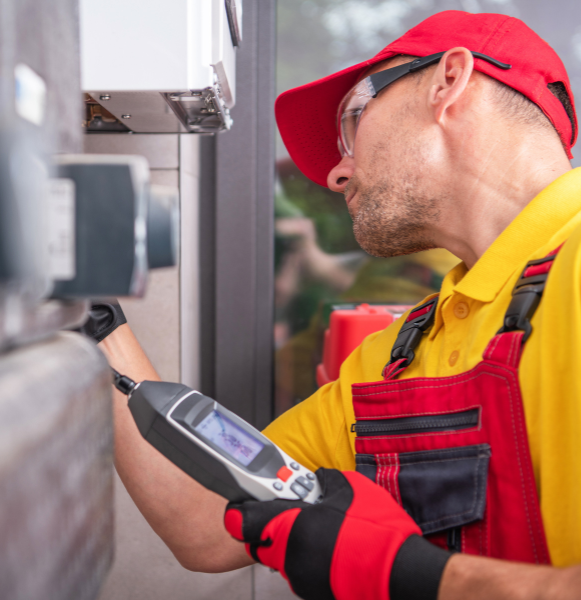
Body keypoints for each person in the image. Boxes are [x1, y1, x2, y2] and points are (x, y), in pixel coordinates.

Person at [91, 10, 581, 600]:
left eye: (352, 122)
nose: (336, 173)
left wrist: (410, 577)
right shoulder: (400, 356)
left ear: (449, 82)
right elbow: (205, 519)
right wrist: (94, 314)